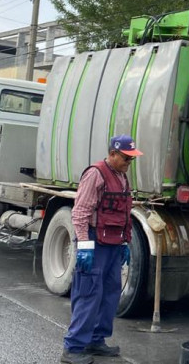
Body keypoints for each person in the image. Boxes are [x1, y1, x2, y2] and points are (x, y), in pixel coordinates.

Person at [61, 135, 142, 364]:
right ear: (113, 153)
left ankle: (96, 340)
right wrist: (85, 246)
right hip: (95, 243)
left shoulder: (123, 177)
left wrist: (125, 242)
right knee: (88, 294)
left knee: (109, 295)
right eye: (126, 158)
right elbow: (80, 213)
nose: (129, 163)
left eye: (132, 159)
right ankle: (73, 348)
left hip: (114, 245)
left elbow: (124, 213)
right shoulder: (96, 174)